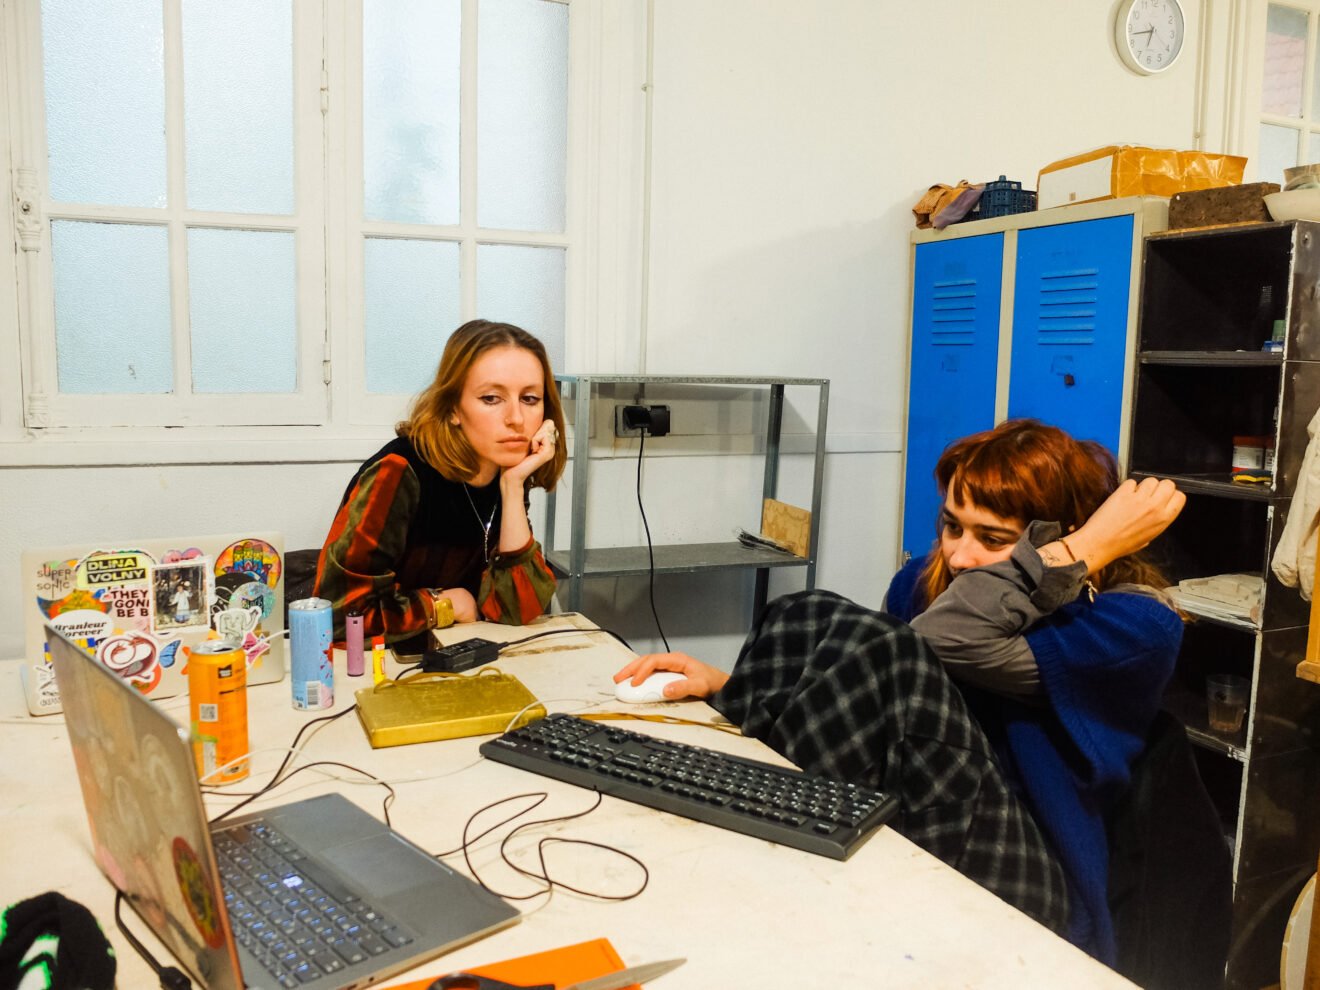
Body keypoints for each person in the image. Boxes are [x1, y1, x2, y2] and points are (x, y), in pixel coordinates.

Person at [613, 419, 1186, 966]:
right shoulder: (926, 583)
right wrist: (734, 688)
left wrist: (1084, 548)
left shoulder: (1131, 626)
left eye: (993, 539)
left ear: (1062, 539)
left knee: (881, 643)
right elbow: (881, 707)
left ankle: (765, 867)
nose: (959, 556)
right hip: (920, 822)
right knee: (806, 610)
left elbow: (940, 641)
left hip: (1031, 879)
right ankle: (745, 833)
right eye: (952, 526)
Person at [315, 319, 567, 648]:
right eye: (492, 398)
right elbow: (339, 618)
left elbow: (515, 610)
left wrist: (514, 486)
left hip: (460, 658)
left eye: (530, 399)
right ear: (452, 409)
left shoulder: (505, 471)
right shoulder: (398, 472)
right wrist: (443, 604)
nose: (516, 419)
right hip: (385, 666)